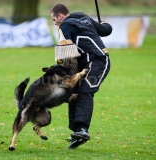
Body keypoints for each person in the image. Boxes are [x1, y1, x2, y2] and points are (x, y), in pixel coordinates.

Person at [50, 3, 112, 149]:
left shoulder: (64, 26)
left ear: (60, 16)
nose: (55, 23)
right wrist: (104, 24)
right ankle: (77, 132)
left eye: (54, 20)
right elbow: (106, 30)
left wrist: (59, 71)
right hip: (87, 64)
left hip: (98, 61)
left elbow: (65, 56)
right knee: (74, 92)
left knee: (85, 90)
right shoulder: (84, 17)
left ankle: (83, 129)